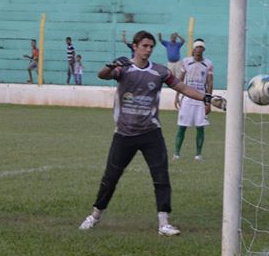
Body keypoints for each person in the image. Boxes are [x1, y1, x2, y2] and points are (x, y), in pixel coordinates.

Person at [79, 30, 214, 236]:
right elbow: (102, 75)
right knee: (110, 177)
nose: (148, 50)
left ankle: (164, 223)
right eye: (144, 46)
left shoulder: (159, 72)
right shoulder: (123, 68)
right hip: (124, 133)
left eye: (151, 46)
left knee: (161, 177)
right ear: (135, 46)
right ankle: (95, 215)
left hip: (151, 133)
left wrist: (207, 98)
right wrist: (111, 65)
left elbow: (183, 88)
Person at [173, 39, 214, 161]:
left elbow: (210, 83)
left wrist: (208, 102)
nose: (199, 49)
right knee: (182, 126)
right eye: (197, 47)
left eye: (201, 47)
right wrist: (176, 96)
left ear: (204, 49)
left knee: (200, 127)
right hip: (187, 99)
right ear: (193, 49)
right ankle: (176, 154)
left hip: (201, 100)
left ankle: (198, 154)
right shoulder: (185, 62)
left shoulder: (208, 64)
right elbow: (179, 81)